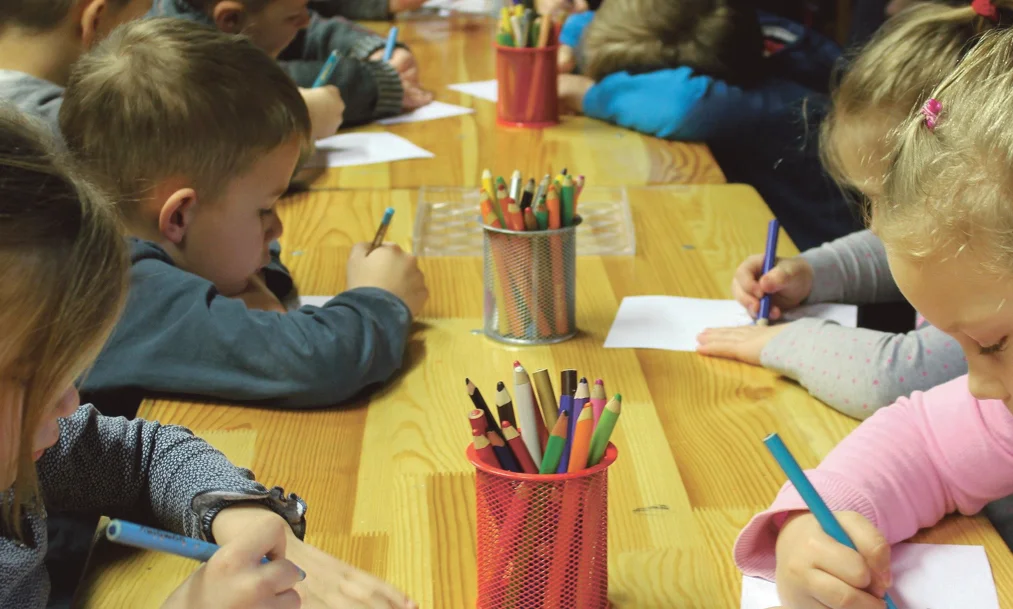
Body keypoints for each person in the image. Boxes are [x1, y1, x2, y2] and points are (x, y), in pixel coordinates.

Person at [0, 106, 417, 609]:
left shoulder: (24, 451)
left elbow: (140, 454)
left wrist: (235, 513)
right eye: (31, 377)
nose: (69, 401)